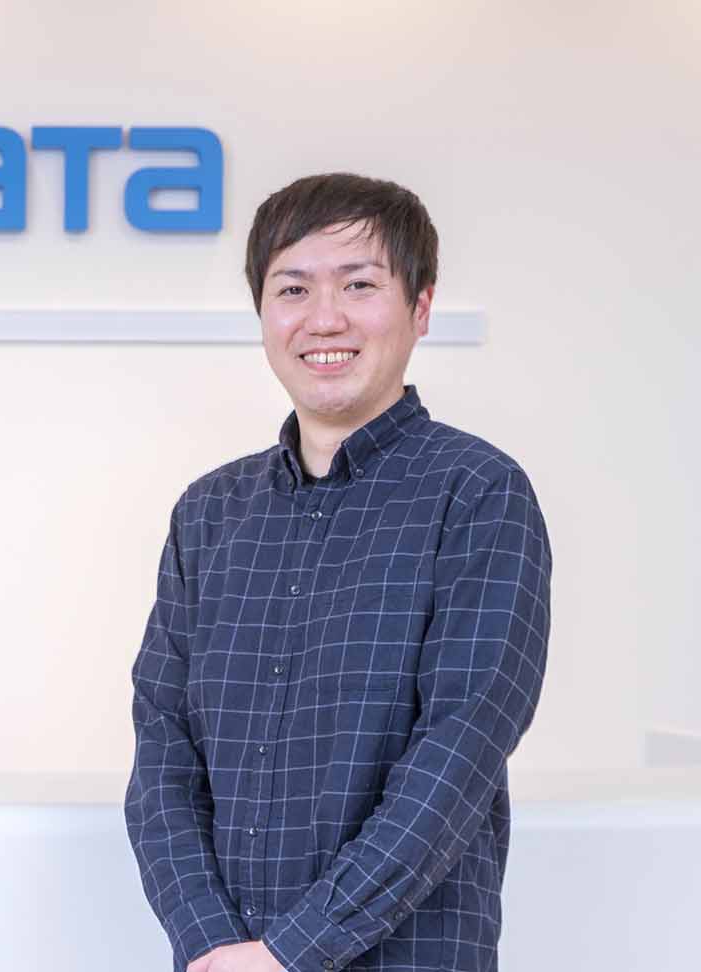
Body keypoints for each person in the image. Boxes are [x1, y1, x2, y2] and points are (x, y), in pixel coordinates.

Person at [124, 173, 551, 972]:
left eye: (359, 285)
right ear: (262, 313)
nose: (325, 319)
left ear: (421, 307)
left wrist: (289, 952)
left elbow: (458, 753)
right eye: (293, 288)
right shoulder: (209, 515)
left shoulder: (478, 494)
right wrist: (212, 943)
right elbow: (163, 755)